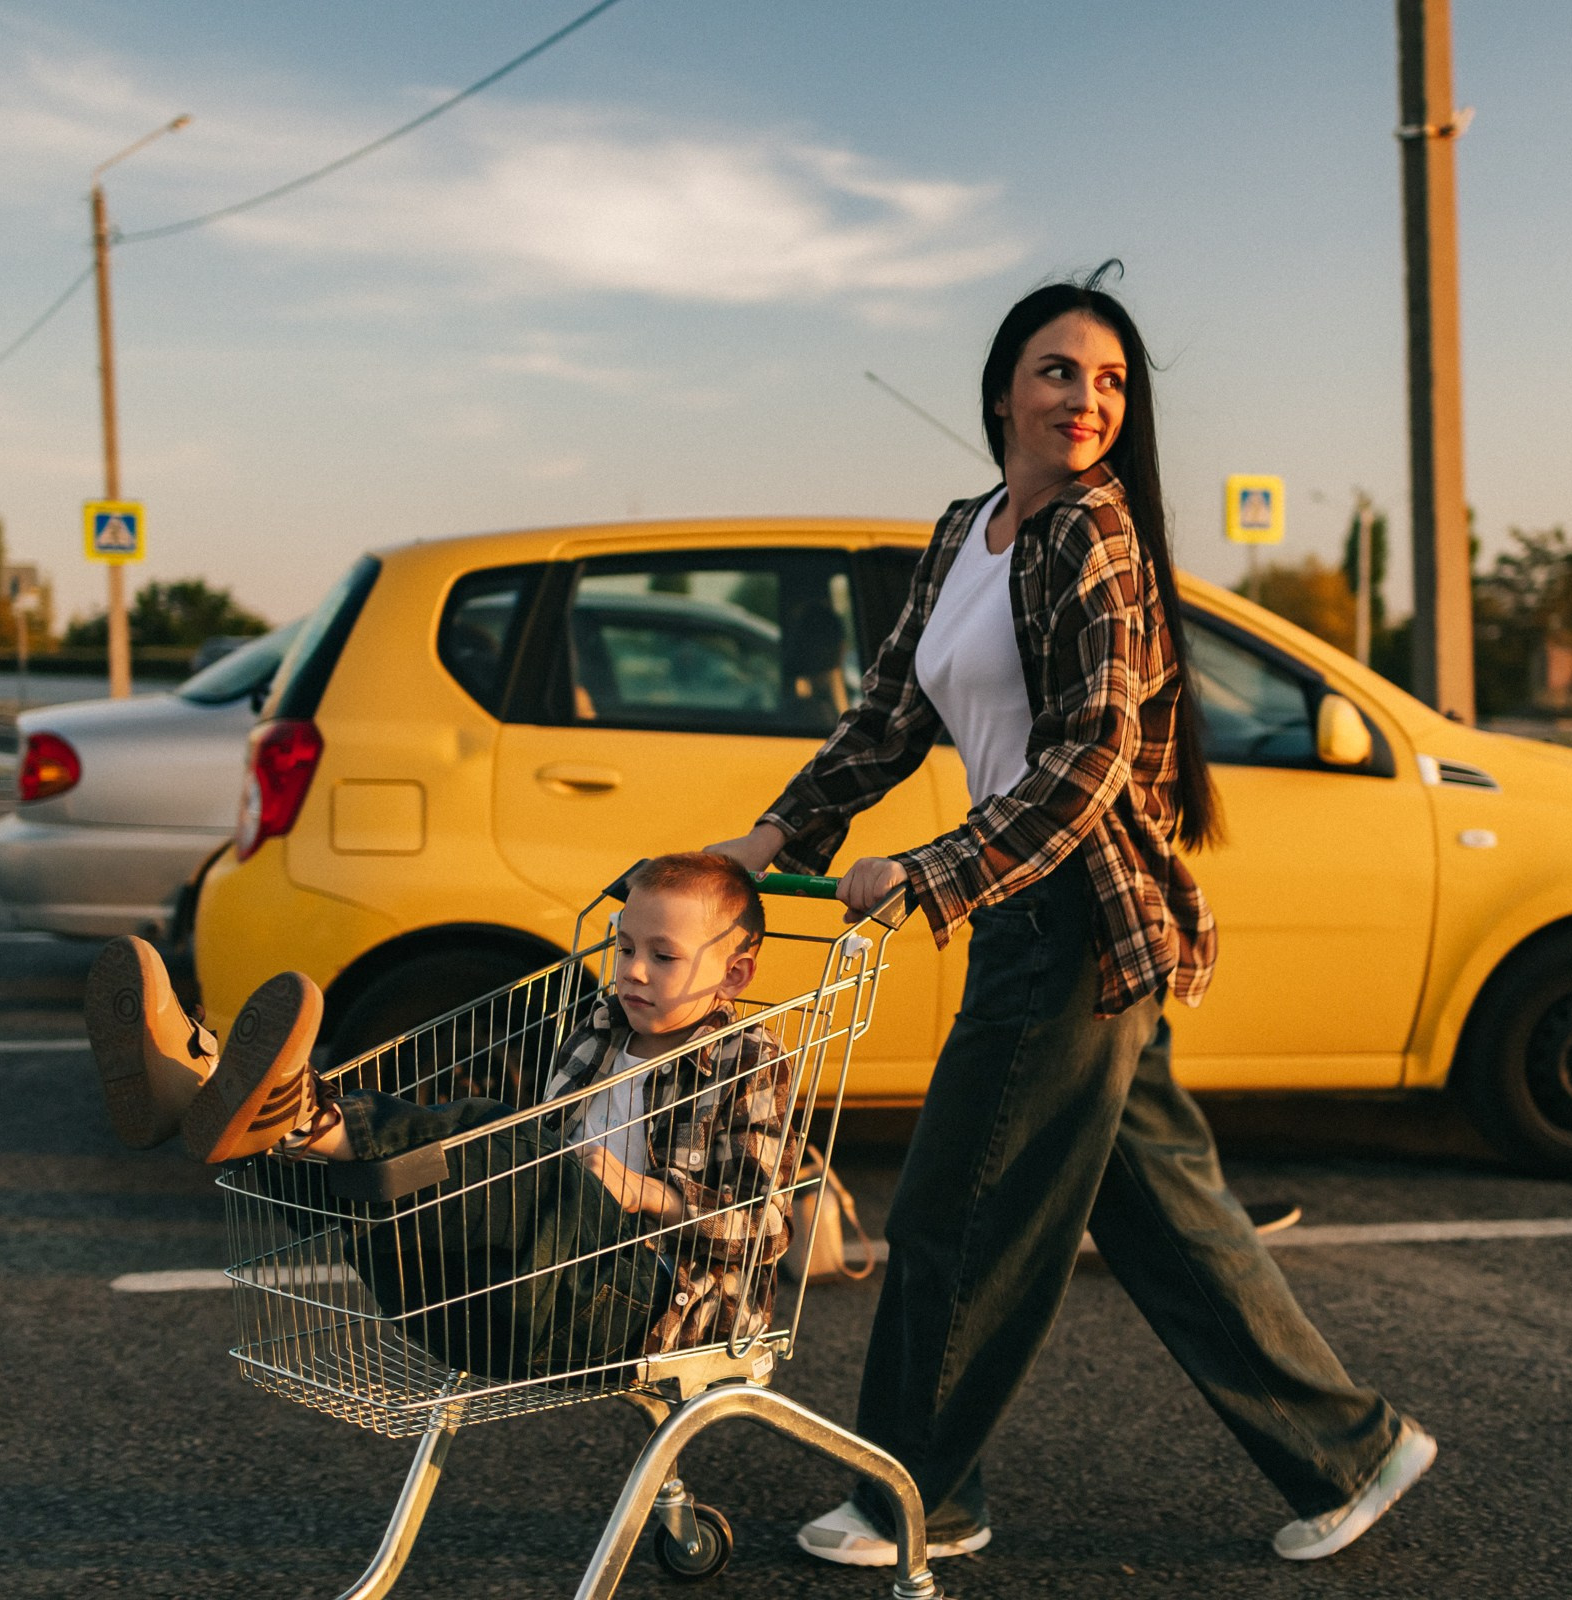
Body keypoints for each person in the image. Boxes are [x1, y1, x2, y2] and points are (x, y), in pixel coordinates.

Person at [706, 268, 1435, 1568]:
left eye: (1109, 382)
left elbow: (1090, 761)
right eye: (1058, 371)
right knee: (1167, 1221)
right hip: (1049, 917)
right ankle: (1352, 1450)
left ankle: (913, 1501)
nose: (1085, 399)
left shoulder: (1092, 536)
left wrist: (928, 870)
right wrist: (776, 836)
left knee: (954, 1217)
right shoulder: (966, 531)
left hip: (1072, 927)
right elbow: (891, 712)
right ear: (1000, 391)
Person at [83, 852, 799, 1368]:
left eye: (663, 956)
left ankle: (291, 1115)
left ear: (734, 974)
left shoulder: (748, 1064)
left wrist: (640, 1192)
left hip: (644, 1306)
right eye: (624, 946)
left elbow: (767, 1228)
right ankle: (223, 1106)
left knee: (498, 1139)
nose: (633, 970)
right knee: (405, 1184)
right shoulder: (599, 1027)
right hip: (499, 1294)